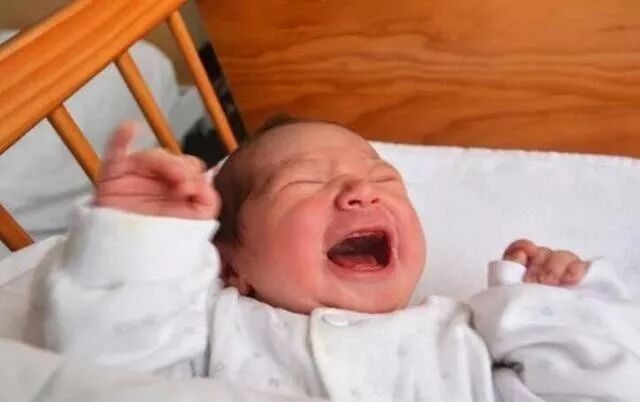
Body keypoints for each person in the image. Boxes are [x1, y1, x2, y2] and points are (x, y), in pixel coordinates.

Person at [43, 120, 640, 401]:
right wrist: (142, 241)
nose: (361, 192)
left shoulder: (466, 335)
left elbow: (611, 380)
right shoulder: (217, 327)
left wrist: (545, 307)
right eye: (304, 182)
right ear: (230, 265)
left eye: (385, 179)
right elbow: (112, 374)